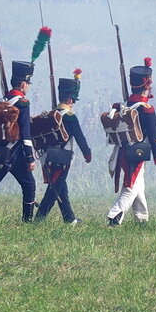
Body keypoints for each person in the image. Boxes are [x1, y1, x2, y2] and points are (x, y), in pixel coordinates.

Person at [106, 58, 156, 226]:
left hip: (123, 152)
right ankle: (114, 216)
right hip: (138, 153)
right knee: (130, 187)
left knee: (139, 186)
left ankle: (142, 220)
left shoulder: (123, 105)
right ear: (146, 85)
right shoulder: (147, 110)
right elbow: (154, 137)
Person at [35, 70, 92, 224]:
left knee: (61, 186)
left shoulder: (52, 114)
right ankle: (39, 218)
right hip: (62, 157)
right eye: (73, 99)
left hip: (47, 156)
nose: (73, 103)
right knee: (55, 188)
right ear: (69, 98)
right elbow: (80, 137)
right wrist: (88, 154)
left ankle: (69, 218)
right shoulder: (69, 117)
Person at [0, 60, 38, 223]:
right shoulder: (22, 103)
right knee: (29, 185)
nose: (28, 86)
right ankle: (27, 220)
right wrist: (30, 158)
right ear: (23, 84)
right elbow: (25, 133)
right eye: (28, 83)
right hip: (15, 153)